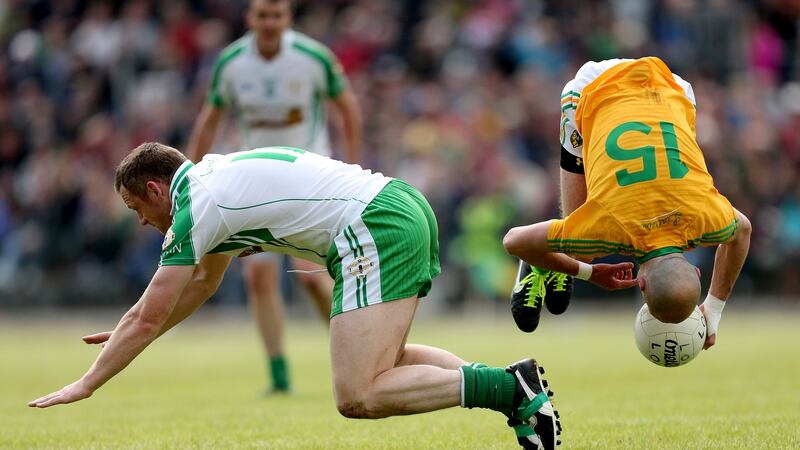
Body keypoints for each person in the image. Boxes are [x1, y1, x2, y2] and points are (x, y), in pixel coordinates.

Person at [27, 142, 637, 449]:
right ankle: (514, 392)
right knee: (385, 366)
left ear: (156, 189)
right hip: (391, 210)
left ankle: (511, 391)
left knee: (358, 394)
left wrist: (88, 382)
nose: (140, 222)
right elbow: (205, 283)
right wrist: (138, 327)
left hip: (374, 226)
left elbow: (148, 312)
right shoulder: (210, 182)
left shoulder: (194, 206)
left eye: (136, 208)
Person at [503, 57, 752, 350]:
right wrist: (587, 272)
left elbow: (743, 230)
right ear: (641, 284)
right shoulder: (609, 230)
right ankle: (541, 264)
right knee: (578, 252)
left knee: (579, 243)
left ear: (695, 271)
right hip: (591, 87)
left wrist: (713, 308)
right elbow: (514, 240)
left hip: (671, 87)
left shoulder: (707, 218)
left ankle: (556, 257)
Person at [185, 0, 362, 393]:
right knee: (259, 278)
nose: (269, 23)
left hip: (309, 181)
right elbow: (210, 120)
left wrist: (351, 164)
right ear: (250, 18)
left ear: (288, 18)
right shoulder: (232, 63)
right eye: (262, 15)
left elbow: (347, 108)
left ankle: (353, 353)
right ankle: (279, 375)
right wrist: (193, 175)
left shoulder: (313, 58)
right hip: (256, 183)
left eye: (277, 15)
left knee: (312, 278)